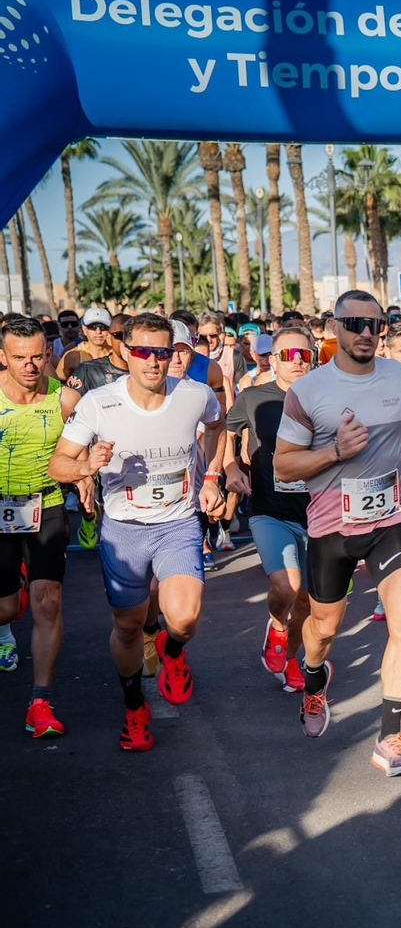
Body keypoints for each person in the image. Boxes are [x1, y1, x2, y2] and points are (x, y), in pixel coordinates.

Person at [49, 312, 226, 751]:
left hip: (178, 522)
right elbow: (58, 463)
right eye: (143, 351)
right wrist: (86, 466)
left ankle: (172, 651)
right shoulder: (98, 403)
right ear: (126, 352)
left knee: (184, 616)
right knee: (128, 627)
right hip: (124, 529)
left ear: (173, 355)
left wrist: (210, 475)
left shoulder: (194, 395)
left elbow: (218, 425)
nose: (153, 361)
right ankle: (134, 708)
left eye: (162, 352)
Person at [273, 290, 401, 776]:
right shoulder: (310, 391)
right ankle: (315, 684)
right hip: (331, 527)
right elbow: (283, 463)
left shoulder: (396, 373)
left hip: (390, 518)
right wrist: (335, 452)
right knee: (322, 631)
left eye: (375, 325)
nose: (366, 332)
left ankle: (390, 737)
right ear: (334, 328)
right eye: (355, 323)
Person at [225, 325, 315, 692]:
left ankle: (291, 657)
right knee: (287, 584)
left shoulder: (324, 396)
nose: (297, 362)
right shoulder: (253, 397)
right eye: (288, 355)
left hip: (318, 514)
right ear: (273, 360)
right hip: (269, 509)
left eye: (304, 355)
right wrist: (229, 467)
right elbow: (222, 429)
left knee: (310, 605)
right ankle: (277, 625)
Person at [0, 318, 68, 737]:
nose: (30, 366)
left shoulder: (65, 399)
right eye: (19, 358)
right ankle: (11, 606)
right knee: (7, 607)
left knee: (48, 603)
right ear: (3, 358)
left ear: (48, 354)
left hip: (48, 504)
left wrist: (84, 475)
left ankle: (39, 702)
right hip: (0, 505)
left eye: (37, 357)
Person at [56, 307, 114, 382]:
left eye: (103, 327)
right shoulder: (73, 356)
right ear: (84, 330)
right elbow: (56, 385)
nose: (98, 331)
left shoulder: (118, 352)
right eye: (93, 327)